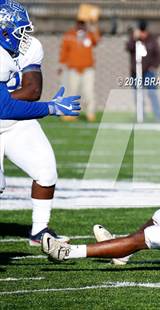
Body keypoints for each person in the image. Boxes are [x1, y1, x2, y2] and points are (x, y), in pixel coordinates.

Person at [0, 0, 81, 245]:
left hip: (15, 120)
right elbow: (4, 106)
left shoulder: (26, 48)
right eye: (19, 32)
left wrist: (22, 108)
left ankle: (39, 231)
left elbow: (31, 90)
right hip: (12, 112)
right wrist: (51, 108)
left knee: (45, 170)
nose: (25, 38)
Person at [59, 19, 100, 122]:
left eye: (83, 23)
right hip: (73, 69)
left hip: (88, 69)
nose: (81, 25)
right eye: (79, 23)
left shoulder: (89, 35)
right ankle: (71, 113)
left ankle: (90, 113)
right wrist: (61, 65)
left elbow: (97, 40)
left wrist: (93, 27)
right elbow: (63, 51)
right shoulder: (69, 35)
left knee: (88, 92)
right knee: (72, 92)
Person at [126, 20, 160, 122]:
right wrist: (134, 38)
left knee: (152, 93)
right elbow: (128, 47)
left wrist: (154, 66)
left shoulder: (152, 40)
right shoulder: (134, 39)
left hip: (148, 72)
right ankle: (141, 115)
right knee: (138, 95)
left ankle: (158, 116)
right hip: (135, 72)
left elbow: (159, 55)